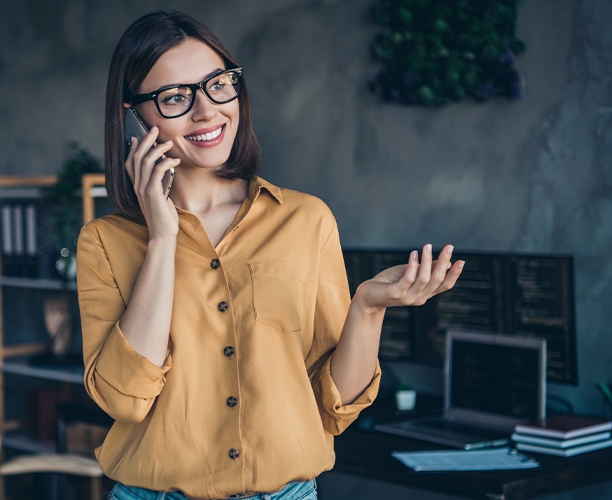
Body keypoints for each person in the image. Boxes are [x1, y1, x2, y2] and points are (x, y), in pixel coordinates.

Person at [77, 10, 464, 500]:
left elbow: (334, 406)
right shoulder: (104, 243)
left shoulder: (306, 220)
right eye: (175, 97)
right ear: (134, 117)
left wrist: (367, 308)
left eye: (218, 84)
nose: (207, 111)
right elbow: (122, 399)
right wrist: (161, 239)